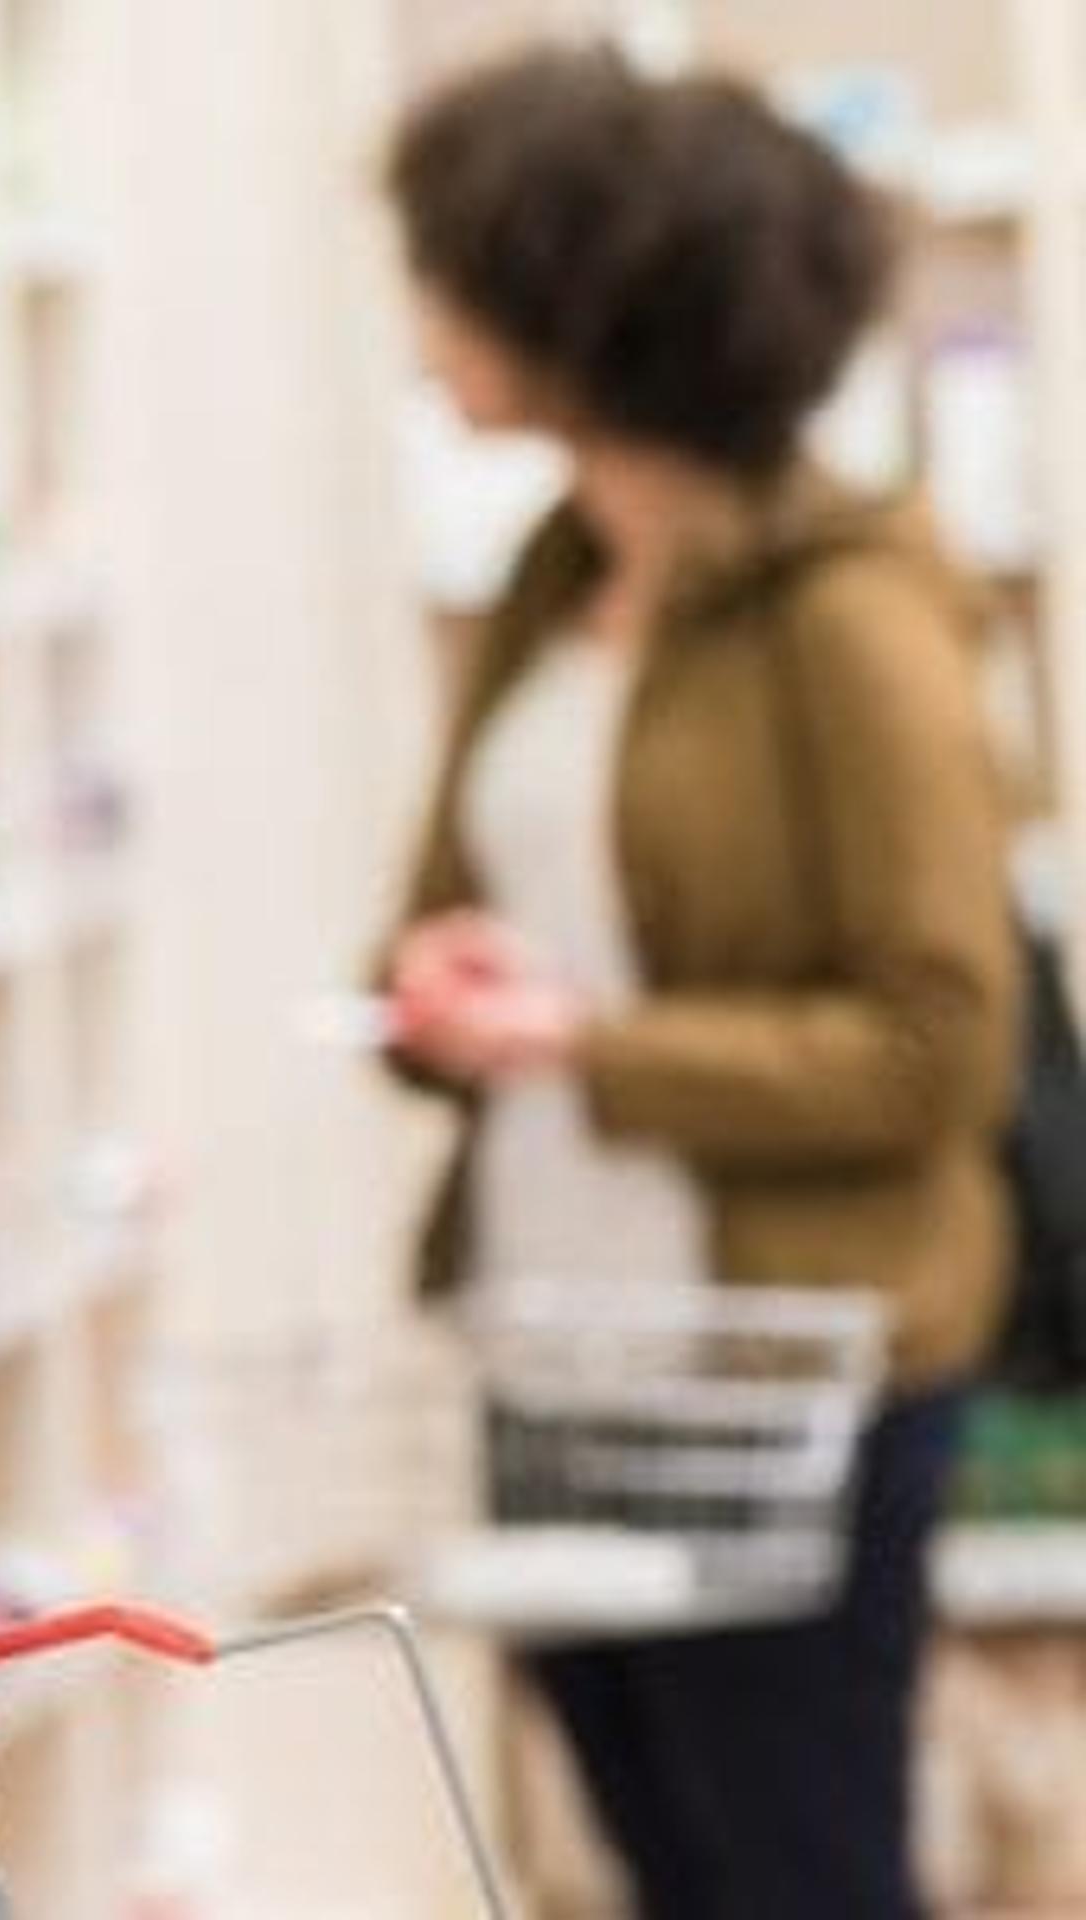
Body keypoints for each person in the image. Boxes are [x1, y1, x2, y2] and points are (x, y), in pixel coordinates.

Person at [379, 47, 1018, 1920]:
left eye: (450, 280)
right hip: (554, 1338)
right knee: (656, 1866)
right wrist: (431, 983)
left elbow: (939, 1046)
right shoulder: (548, 578)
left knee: (798, 1871)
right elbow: (452, 905)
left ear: (575, 299)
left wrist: (585, 1044)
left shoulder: (852, 618)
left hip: (789, 1375)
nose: (424, 329)